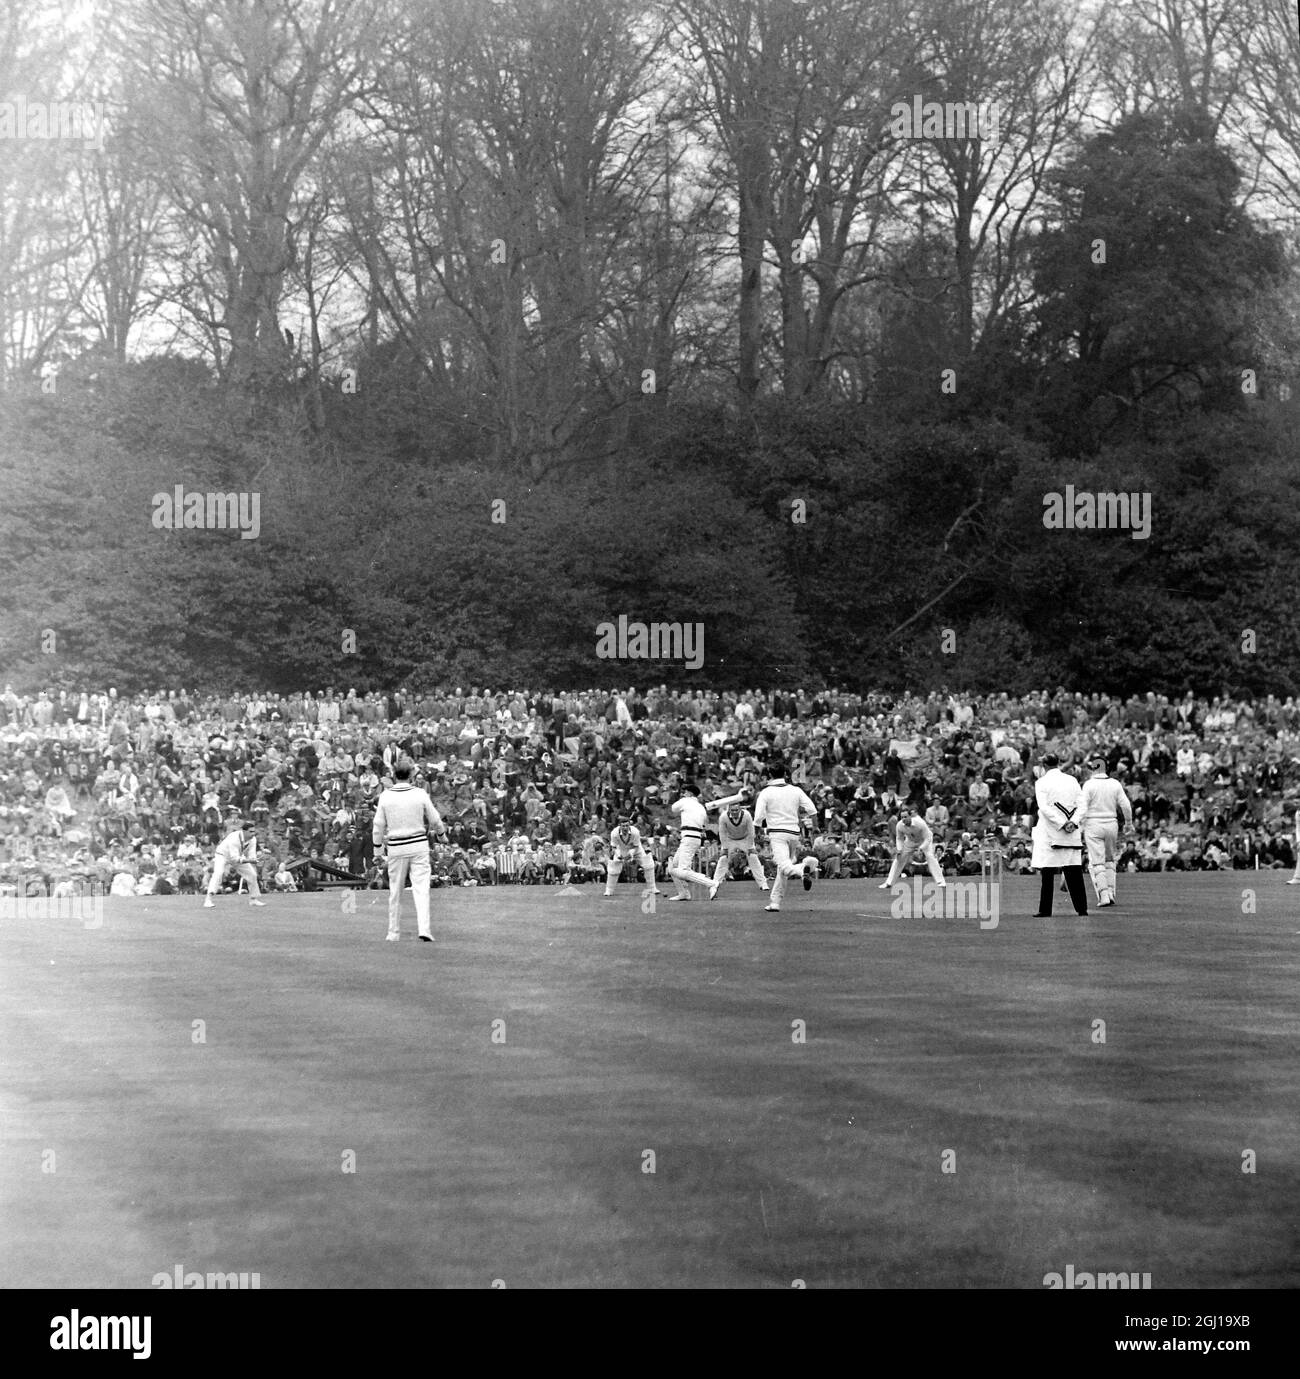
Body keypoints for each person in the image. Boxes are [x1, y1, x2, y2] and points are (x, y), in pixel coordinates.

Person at [372, 759, 445, 942]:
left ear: (394, 775)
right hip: (419, 846)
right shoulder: (419, 793)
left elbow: (378, 826)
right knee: (421, 889)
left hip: (396, 847)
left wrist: (377, 851)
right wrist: (442, 836)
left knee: (395, 892)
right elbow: (435, 819)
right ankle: (424, 929)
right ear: (412, 775)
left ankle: (393, 932)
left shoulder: (386, 796)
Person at [753, 761, 818, 913]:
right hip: (794, 833)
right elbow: (812, 810)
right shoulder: (795, 790)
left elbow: (758, 817)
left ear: (769, 775)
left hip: (777, 833)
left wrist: (756, 835)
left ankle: (803, 868)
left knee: (784, 866)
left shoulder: (766, 792)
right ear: (786, 774)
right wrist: (814, 828)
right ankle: (775, 902)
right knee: (782, 869)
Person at [667, 779, 746, 901]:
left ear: (689, 793)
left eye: (685, 792)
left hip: (689, 838)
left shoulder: (686, 801)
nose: (683, 794)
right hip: (692, 837)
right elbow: (704, 824)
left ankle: (712, 883)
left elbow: (673, 809)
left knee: (682, 870)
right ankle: (683, 893)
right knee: (673, 867)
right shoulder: (700, 807)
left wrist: (682, 799)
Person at [1031, 754, 1088, 917]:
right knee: (1074, 871)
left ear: (1044, 765)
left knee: (1047, 873)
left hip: (1051, 831)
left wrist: (1062, 823)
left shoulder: (1041, 782)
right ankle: (1081, 909)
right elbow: (1082, 805)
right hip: (1071, 831)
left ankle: (1045, 909)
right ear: (1058, 763)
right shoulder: (1072, 780)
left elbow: (1044, 808)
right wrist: (1073, 822)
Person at [1080, 754, 1133, 908]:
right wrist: (1128, 823)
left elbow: (1083, 808)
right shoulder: (1115, 784)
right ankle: (1111, 892)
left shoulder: (1089, 785)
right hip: (1111, 824)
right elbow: (1126, 805)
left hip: (1093, 824)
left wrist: (1077, 823)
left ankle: (1104, 895)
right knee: (1109, 859)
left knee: (1097, 861)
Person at [877, 802, 946, 888]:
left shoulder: (920, 823)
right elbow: (899, 839)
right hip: (910, 841)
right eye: (902, 817)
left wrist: (921, 848)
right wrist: (899, 849)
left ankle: (940, 881)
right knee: (898, 859)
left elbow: (928, 838)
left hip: (924, 840)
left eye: (905, 817)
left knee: (930, 856)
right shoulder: (899, 825)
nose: (904, 819)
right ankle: (889, 883)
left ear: (910, 816)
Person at [203, 819, 266, 908]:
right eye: (251, 832)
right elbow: (234, 858)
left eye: (254, 832)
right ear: (244, 831)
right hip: (222, 855)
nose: (253, 834)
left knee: (252, 874)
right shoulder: (234, 838)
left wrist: (256, 859)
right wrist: (250, 861)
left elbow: (251, 855)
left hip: (238, 856)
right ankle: (208, 899)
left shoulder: (253, 839)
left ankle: (253, 899)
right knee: (218, 873)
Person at [710, 803, 769, 892]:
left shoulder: (747, 815)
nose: (734, 812)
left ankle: (763, 884)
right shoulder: (723, 817)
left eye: (736, 810)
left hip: (745, 839)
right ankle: (714, 884)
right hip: (730, 839)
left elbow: (751, 831)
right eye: (732, 810)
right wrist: (725, 848)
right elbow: (722, 833)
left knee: (753, 857)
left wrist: (750, 847)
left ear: (740, 809)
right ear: (729, 810)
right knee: (723, 859)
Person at [604, 818, 660, 898]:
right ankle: (609, 890)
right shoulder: (614, 833)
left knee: (648, 864)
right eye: (623, 826)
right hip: (621, 849)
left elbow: (636, 846)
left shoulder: (635, 832)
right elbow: (614, 847)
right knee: (613, 868)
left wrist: (631, 853)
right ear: (620, 826)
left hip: (636, 849)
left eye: (627, 825)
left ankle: (652, 888)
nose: (625, 828)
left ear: (629, 825)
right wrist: (618, 854)